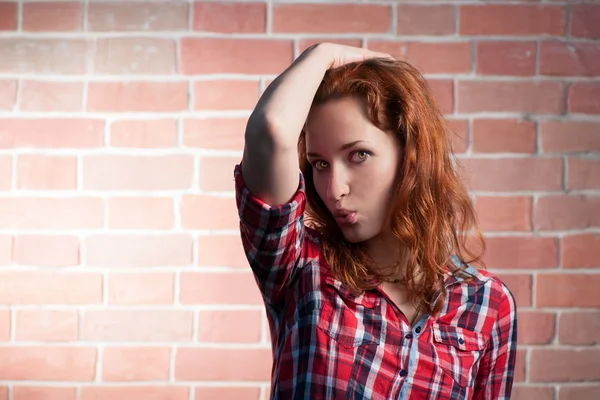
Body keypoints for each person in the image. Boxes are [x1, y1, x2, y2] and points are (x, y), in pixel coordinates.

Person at [233, 43, 517, 400]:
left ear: (411, 156)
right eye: (320, 164)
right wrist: (323, 55)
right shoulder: (300, 267)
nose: (334, 189)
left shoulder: (486, 304)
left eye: (358, 155)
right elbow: (271, 131)